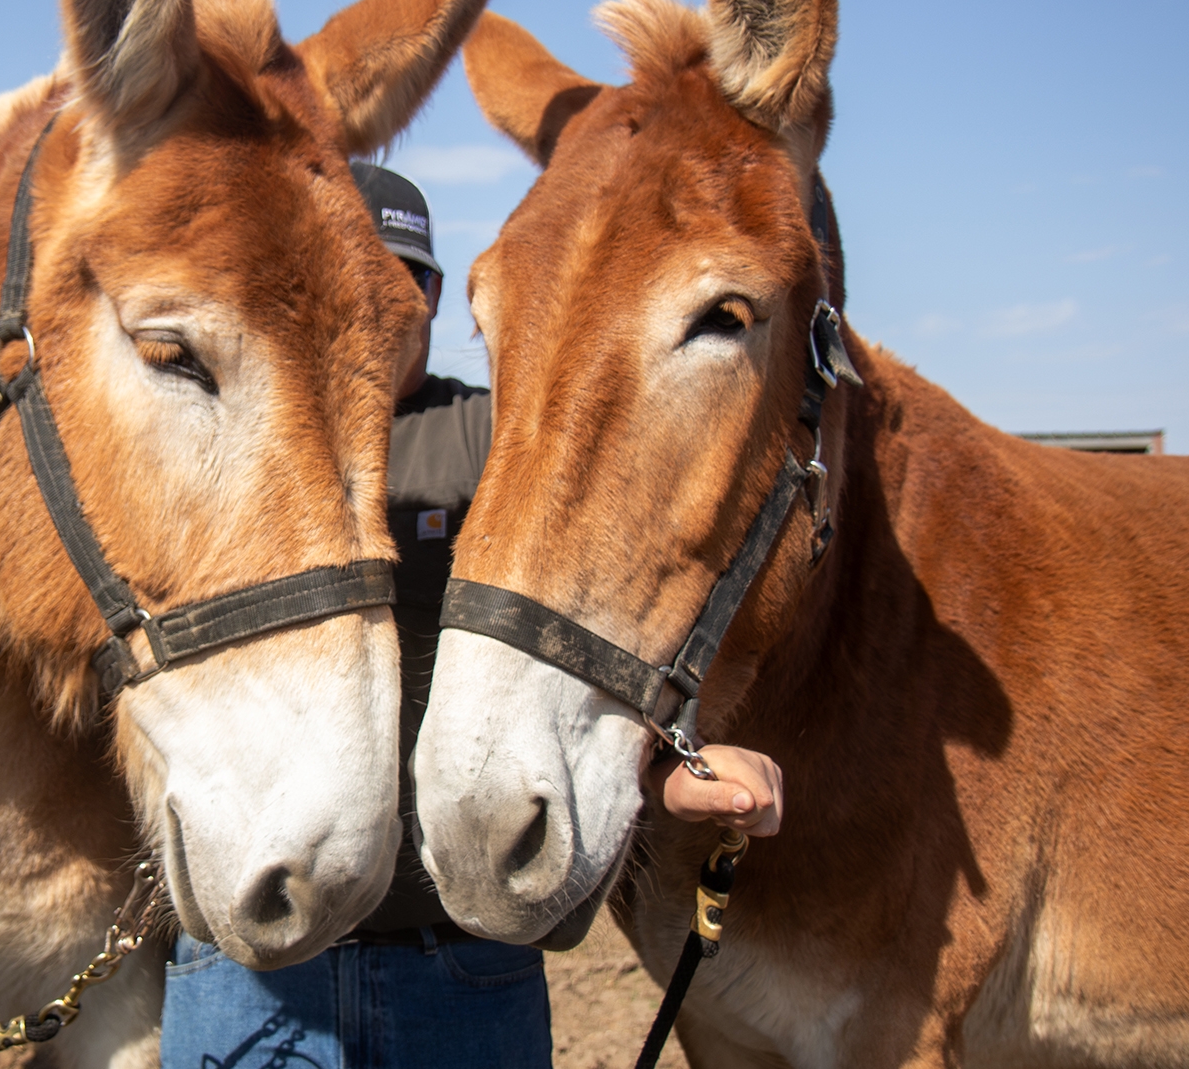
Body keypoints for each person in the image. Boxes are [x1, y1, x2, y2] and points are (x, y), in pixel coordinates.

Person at [159, 164, 783, 1069]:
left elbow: (622, 606)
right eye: (339, 270)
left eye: (400, 276)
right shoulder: (211, 429)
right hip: (248, 963)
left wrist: (681, 753)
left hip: (460, 965)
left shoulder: (506, 439)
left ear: (433, 293)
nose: (373, 298)